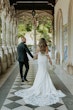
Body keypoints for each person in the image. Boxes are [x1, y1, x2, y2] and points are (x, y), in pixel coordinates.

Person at [15, 38, 66, 106]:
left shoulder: (38, 46)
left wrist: (34, 57)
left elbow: (36, 55)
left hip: (40, 60)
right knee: (45, 72)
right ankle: (46, 86)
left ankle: (38, 86)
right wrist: (50, 61)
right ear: (44, 41)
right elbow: (47, 54)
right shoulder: (46, 46)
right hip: (44, 59)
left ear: (40, 42)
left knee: (40, 71)